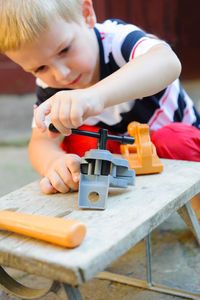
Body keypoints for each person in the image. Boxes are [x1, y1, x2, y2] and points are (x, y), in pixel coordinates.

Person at [0, 0, 200, 201]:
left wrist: (94, 96)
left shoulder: (118, 41)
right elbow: (40, 141)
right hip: (120, 157)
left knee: (174, 141)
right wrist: (53, 162)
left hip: (174, 147)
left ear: (86, 14)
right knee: (81, 142)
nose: (61, 74)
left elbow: (168, 62)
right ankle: (110, 199)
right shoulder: (50, 85)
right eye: (39, 68)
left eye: (64, 50)